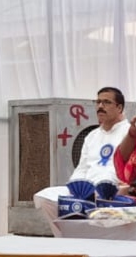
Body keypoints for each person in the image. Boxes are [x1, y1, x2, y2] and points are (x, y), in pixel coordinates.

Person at [32, 87, 130, 216]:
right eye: (98, 102)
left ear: (119, 107)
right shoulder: (92, 136)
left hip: (114, 190)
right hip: (88, 190)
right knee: (45, 196)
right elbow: (82, 168)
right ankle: (64, 230)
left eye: (106, 102)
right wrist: (76, 188)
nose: (100, 106)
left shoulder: (130, 133)